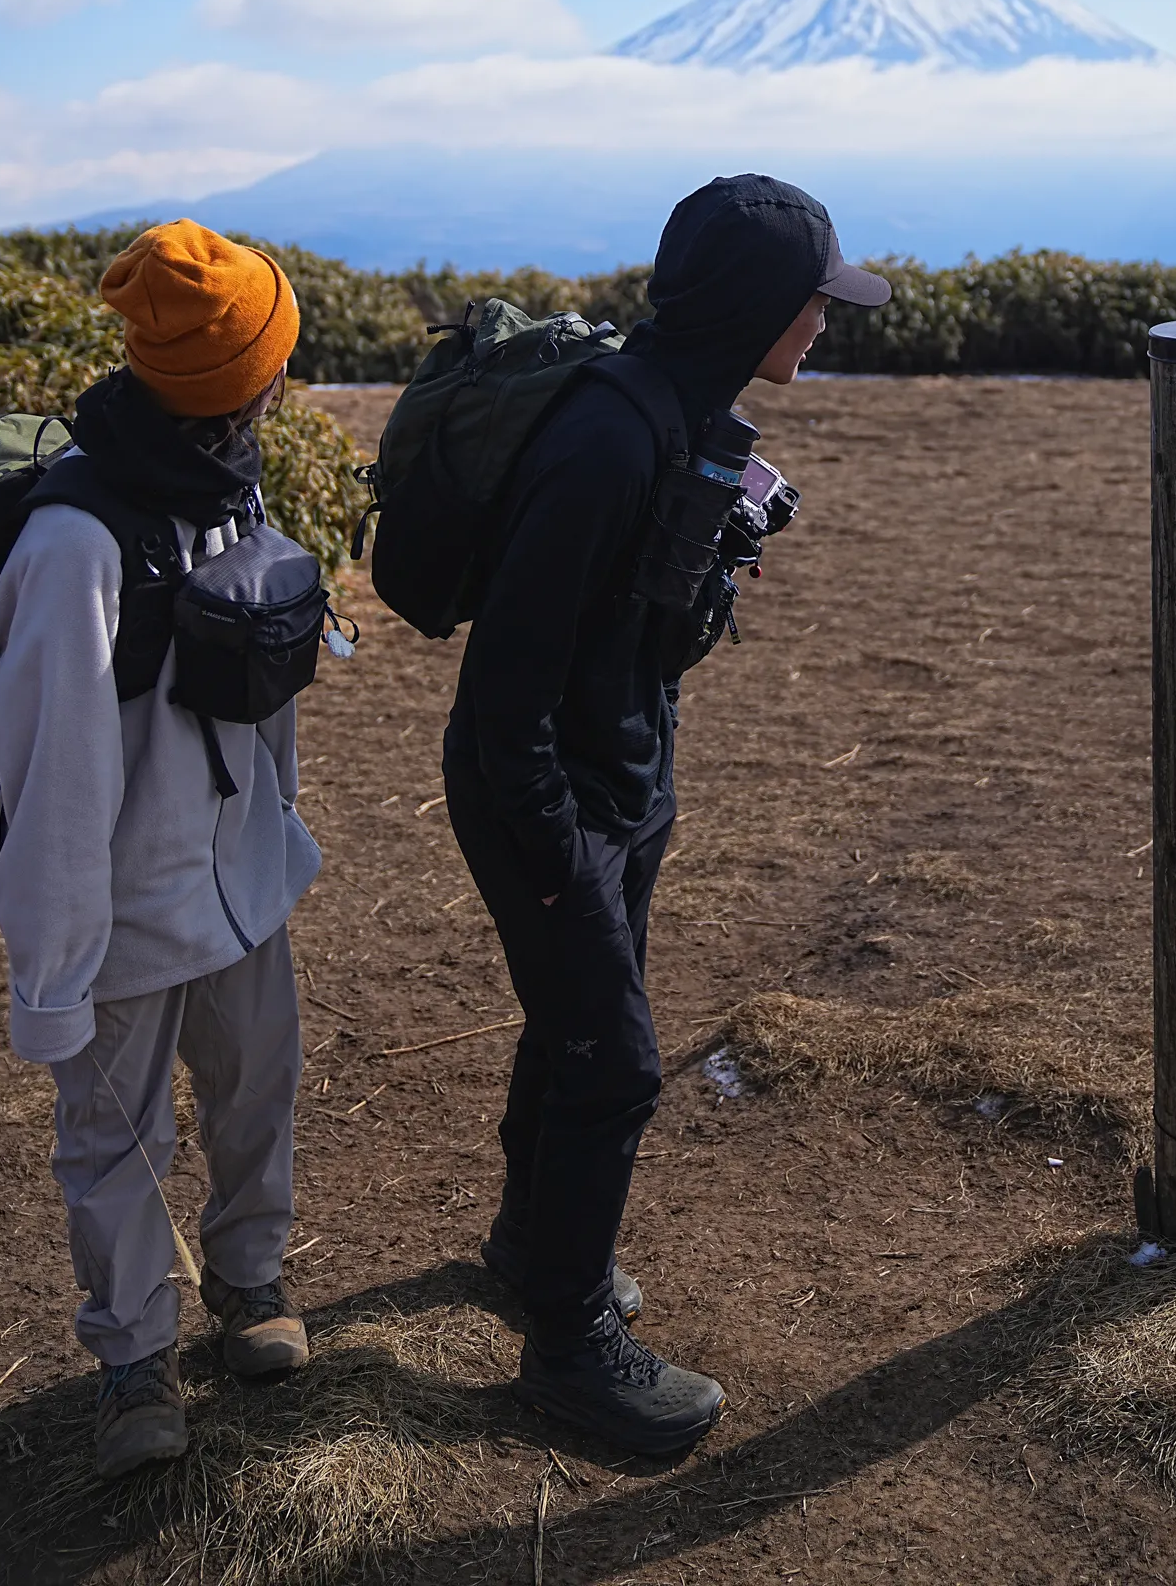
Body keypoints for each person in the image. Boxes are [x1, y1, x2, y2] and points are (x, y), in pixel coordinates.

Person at [444, 173, 890, 1453]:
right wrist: (553, 858)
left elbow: (625, 646)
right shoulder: (608, 438)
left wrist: (703, 576)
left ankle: (531, 1251)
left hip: (619, 781)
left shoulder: (689, 415)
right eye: (814, 303)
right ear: (756, 304)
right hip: (551, 798)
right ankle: (569, 1348)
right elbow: (502, 694)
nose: (824, 325)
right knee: (616, 1062)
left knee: (578, 1026)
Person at [0, 222, 321, 1481]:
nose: (286, 378)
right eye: (277, 357)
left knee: (253, 1094)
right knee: (115, 1143)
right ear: (243, 375)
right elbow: (58, 782)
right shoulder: (75, 544)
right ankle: (134, 1362)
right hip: (118, 916)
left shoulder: (230, 480)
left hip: (241, 888)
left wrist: (280, 833)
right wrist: (52, 979)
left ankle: (249, 1287)